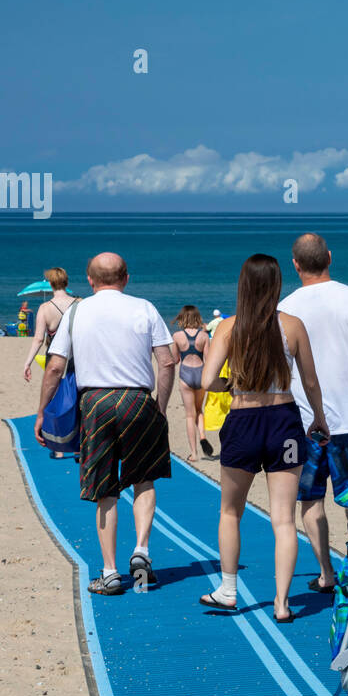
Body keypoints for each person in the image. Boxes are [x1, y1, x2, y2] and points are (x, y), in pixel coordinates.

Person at [199, 254, 330, 623]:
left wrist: (232, 384)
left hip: (243, 419)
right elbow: (310, 381)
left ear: (244, 284)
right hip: (283, 421)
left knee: (230, 511)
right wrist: (319, 418)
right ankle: (283, 602)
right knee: (284, 518)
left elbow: (207, 381)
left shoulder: (228, 327)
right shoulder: (293, 325)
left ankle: (227, 590)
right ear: (276, 284)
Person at [36, 252, 176, 596]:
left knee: (104, 488)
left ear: (90, 279)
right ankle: (141, 551)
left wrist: (42, 411)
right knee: (143, 479)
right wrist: (159, 406)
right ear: (126, 278)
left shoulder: (77, 312)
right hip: (138, 399)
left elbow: (55, 367)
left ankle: (110, 572)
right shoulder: (145, 308)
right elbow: (167, 362)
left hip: (96, 403)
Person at [278, 233, 348, 594]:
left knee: (310, 499)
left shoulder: (285, 307)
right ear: (329, 257)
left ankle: (327, 573)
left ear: (295, 264)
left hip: (304, 421)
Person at [171, 305, 212, 461]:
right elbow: (208, 360)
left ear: (182, 318)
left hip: (186, 375)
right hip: (200, 374)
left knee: (189, 415)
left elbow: (175, 360)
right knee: (199, 410)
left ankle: (194, 454)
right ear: (197, 318)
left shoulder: (177, 336)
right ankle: (202, 435)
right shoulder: (203, 336)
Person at [23, 268, 76, 382]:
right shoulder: (80, 303)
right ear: (66, 282)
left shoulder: (44, 308)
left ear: (51, 284)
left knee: (53, 395)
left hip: (54, 359)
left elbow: (38, 340)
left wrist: (28, 363)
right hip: (75, 359)